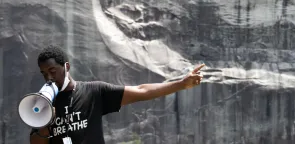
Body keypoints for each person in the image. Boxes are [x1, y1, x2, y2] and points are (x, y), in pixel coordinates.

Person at [29, 45, 204, 144]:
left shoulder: (94, 91)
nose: (49, 77)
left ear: (66, 67)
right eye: (44, 73)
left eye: (52, 70)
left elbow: (141, 91)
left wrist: (181, 84)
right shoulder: (44, 103)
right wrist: (45, 120)